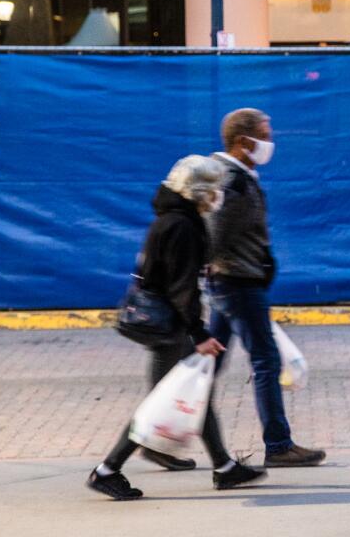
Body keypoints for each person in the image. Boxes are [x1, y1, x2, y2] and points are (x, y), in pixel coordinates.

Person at [88, 155, 267, 500]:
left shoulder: (173, 217)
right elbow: (181, 287)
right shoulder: (183, 226)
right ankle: (107, 470)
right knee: (160, 403)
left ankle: (225, 467)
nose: (219, 196)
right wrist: (199, 334)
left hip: (168, 324)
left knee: (195, 395)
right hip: (169, 328)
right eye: (215, 189)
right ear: (200, 190)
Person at [207, 109, 326, 468]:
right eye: (265, 134)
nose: (270, 142)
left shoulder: (240, 176)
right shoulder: (233, 182)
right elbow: (214, 237)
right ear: (243, 142)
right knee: (266, 360)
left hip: (233, 281)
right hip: (238, 284)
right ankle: (278, 445)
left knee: (207, 363)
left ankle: (164, 432)